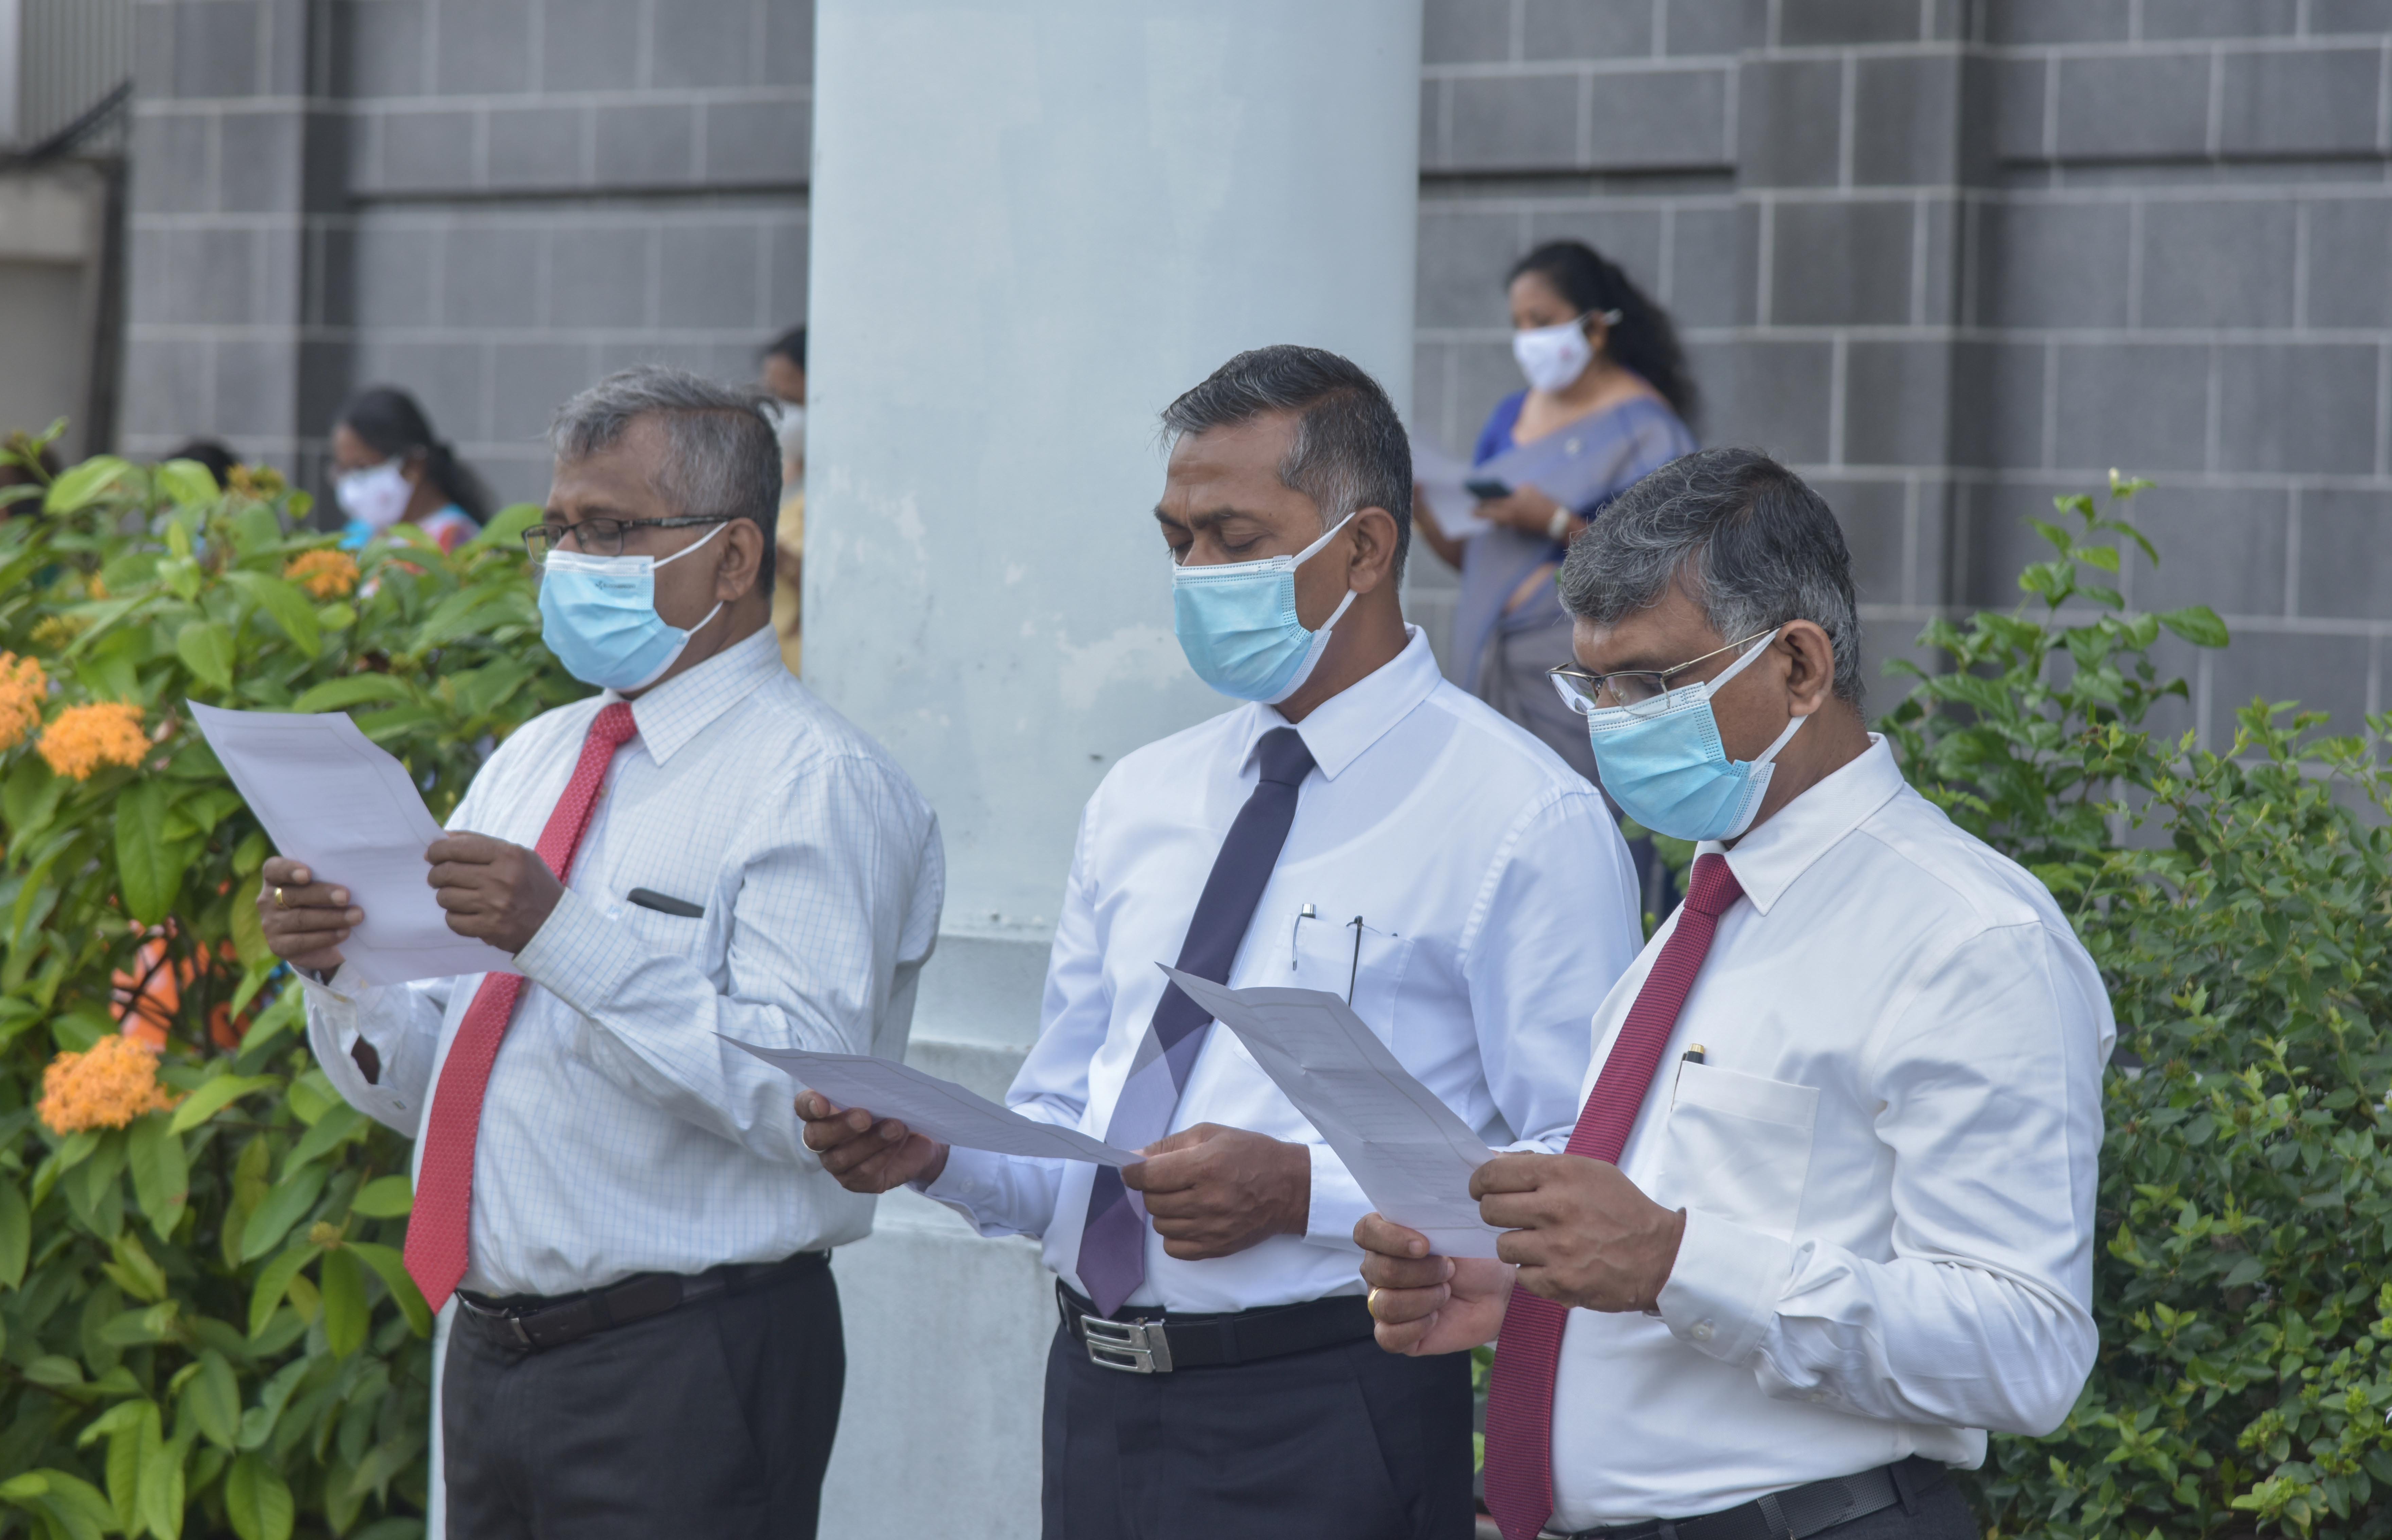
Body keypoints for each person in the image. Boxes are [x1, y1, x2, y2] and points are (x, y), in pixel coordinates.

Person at [797, 346, 1644, 1539]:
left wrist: (1303, 1192)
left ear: (1363, 548)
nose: (1195, 571)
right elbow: (1073, 1133)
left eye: (1234, 539)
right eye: (1177, 539)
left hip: (1327, 1398)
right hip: (1095, 1393)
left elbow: (1576, 1173)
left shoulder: (1517, 815)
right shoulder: (1143, 798)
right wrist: (937, 1149)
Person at [1356, 449, 2113, 1540]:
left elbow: (2024, 1348)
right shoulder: (1712, 903)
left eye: (1650, 684)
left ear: (1799, 667)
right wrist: (1525, 1287)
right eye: (1592, 684)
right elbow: (1688, 1236)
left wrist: (1671, 1262)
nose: (1610, 720)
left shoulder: (1966, 939)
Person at [258, 365, 946, 1540]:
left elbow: (807, 1100)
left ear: (733, 560)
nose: (571, 560)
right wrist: (343, 970)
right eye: (559, 528)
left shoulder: (818, 784)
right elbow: (442, 1084)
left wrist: (560, 934)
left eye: (613, 529)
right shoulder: (533, 755)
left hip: (686, 1357)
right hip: (493, 1350)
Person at [1416, 240, 1697, 789]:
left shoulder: (1646, 430)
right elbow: (1478, 558)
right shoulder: (1510, 415)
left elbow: (1664, 572)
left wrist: (1552, 522)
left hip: (1573, 666)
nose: (1527, 339)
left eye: (1541, 321)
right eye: (1518, 324)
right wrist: (1425, 511)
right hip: (1485, 644)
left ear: (1595, 329)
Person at [329, 386, 494, 551]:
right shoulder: (361, 531)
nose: (350, 486)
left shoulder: (458, 541)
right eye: (344, 470)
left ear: (413, 465)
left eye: (362, 467)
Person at [759, 327, 809, 673]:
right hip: (774, 655)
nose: (782, 413)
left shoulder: (842, 492)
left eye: (790, 399)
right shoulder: (777, 476)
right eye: (773, 396)